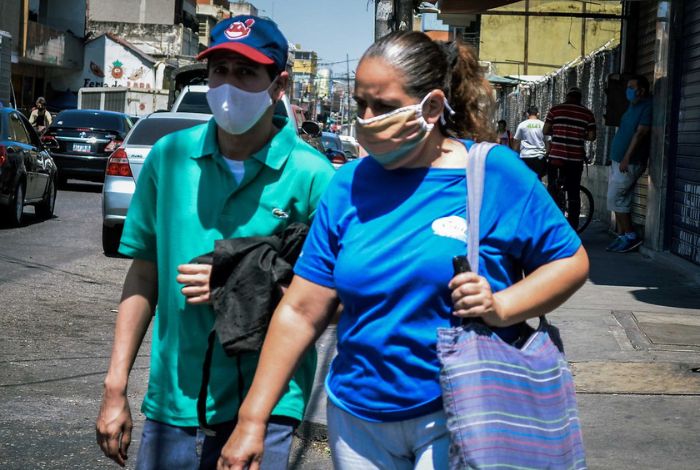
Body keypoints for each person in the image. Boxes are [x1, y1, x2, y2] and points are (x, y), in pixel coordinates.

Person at [217, 31, 589, 470]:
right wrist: (252, 419)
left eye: (385, 106)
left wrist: (501, 305)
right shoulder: (348, 185)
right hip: (355, 420)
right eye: (361, 105)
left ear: (431, 107)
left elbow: (570, 261)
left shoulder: (491, 173)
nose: (368, 119)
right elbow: (302, 310)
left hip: (457, 412)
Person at [95, 15, 335, 469]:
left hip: (267, 405)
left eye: (246, 72)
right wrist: (114, 387)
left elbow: (327, 299)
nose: (228, 86)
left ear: (279, 84)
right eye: (219, 71)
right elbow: (144, 273)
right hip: (174, 399)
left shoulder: (313, 176)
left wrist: (243, 284)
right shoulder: (169, 158)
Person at [605, 75, 652, 253]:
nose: (628, 91)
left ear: (641, 90)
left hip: (629, 162)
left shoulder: (647, 107)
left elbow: (640, 134)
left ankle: (630, 235)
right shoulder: (632, 106)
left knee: (614, 198)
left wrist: (626, 157)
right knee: (620, 200)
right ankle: (624, 236)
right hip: (618, 160)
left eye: (631, 87)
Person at [543, 86, 596, 230]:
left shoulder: (555, 110)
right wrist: (580, 134)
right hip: (575, 159)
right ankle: (573, 227)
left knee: (552, 188)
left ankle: (550, 221)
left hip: (556, 156)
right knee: (573, 192)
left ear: (567, 97)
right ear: (580, 98)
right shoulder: (587, 113)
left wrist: (558, 130)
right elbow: (592, 136)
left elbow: (545, 130)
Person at [513, 105, 548, 179]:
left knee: (525, 179)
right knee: (538, 180)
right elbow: (548, 141)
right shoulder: (543, 125)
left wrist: (515, 155)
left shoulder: (522, 125)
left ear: (527, 114)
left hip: (525, 156)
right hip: (539, 157)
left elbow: (516, 141)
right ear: (538, 114)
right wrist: (547, 154)